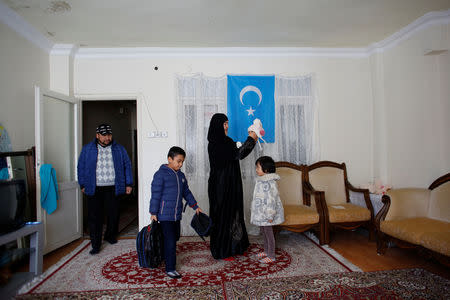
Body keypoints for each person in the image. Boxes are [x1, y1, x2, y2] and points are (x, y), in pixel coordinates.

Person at [207, 113, 258, 260]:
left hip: (232, 184)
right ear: (217, 125)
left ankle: (236, 246)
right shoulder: (215, 144)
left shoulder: (226, 141)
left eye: (227, 123)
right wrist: (251, 139)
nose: (227, 126)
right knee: (222, 217)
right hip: (220, 188)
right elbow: (238, 154)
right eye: (224, 123)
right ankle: (222, 250)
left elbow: (236, 153)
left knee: (234, 213)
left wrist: (250, 140)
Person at [77, 123, 133, 255]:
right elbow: (81, 167)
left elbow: (127, 166)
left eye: (109, 135)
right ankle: (95, 244)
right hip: (94, 188)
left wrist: (129, 184)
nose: (107, 137)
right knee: (95, 217)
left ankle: (110, 235)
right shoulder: (87, 149)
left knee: (113, 214)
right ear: (97, 135)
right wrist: (83, 184)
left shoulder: (119, 149)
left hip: (114, 187)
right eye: (104, 135)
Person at [149, 146, 202, 279]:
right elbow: (155, 194)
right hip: (164, 215)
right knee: (171, 241)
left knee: (175, 237)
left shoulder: (181, 175)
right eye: (178, 161)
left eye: (182, 162)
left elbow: (186, 193)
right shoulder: (160, 174)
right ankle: (170, 268)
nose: (180, 164)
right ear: (169, 159)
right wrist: (153, 212)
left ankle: (164, 255)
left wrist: (195, 206)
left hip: (176, 214)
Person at [250, 156, 284, 263]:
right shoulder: (261, 181)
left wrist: (270, 216)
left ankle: (271, 255)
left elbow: (271, 200)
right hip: (261, 213)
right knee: (263, 232)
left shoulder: (270, 183)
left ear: (266, 170)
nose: (256, 169)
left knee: (269, 234)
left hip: (268, 215)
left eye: (258, 167)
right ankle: (266, 251)